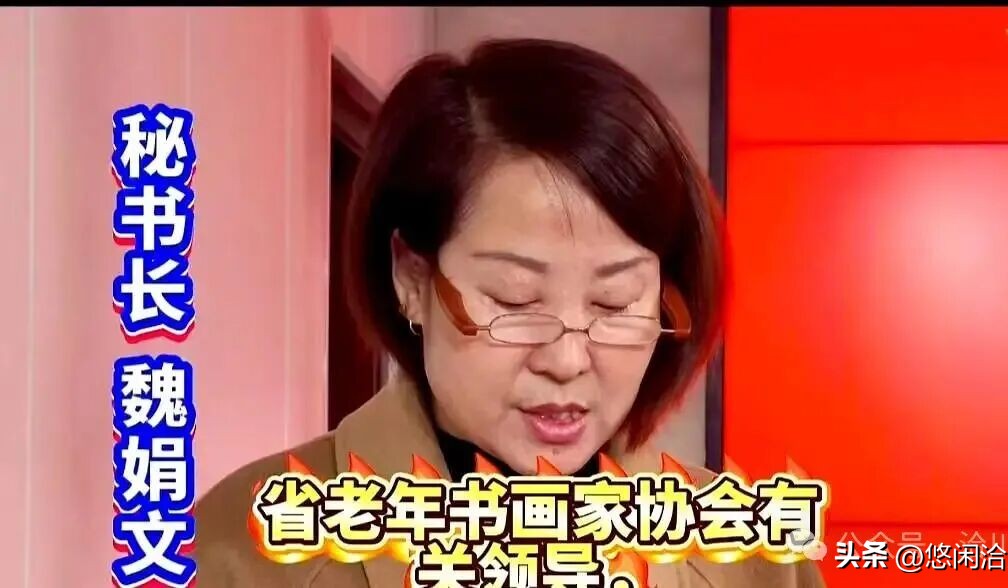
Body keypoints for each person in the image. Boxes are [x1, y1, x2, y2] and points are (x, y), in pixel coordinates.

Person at [194, 38, 825, 588]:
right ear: (411, 278)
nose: (567, 360)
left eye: (614, 302)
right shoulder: (239, 550)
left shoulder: (755, 558)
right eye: (515, 299)